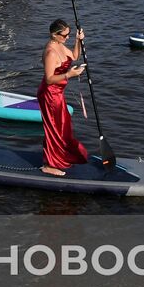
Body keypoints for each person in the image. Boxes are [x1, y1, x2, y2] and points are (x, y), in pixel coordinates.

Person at [39, 19, 89, 175]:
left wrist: (78, 41)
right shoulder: (50, 52)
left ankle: (59, 157)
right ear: (54, 34)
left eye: (69, 34)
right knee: (54, 128)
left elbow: (74, 56)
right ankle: (49, 165)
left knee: (63, 128)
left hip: (58, 94)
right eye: (65, 35)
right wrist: (68, 74)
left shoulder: (60, 45)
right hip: (49, 95)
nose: (67, 37)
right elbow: (48, 79)